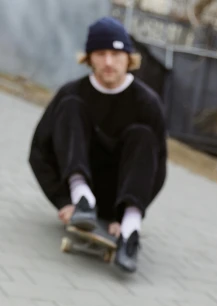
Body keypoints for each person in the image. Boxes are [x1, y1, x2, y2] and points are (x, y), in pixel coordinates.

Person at [29, 16, 167, 273]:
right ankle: (83, 199)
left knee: (143, 136)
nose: (108, 62)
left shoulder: (147, 104)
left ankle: (130, 231)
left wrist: (123, 214)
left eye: (116, 54)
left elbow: (157, 171)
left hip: (119, 195)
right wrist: (62, 201)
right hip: (78, 188)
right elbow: (39, 151)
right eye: (100, 53)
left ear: (129, 58)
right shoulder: (71, 93)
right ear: (89, 58)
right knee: (71, 108)